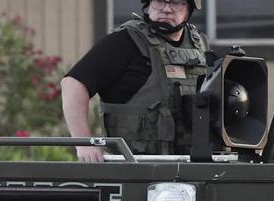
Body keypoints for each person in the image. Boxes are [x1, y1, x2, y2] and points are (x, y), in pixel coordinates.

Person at [61, 0, 209, 162]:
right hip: (132, 169)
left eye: (175, 2)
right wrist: (85, 143)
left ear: (189, 9)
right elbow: (72, 84)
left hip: (190, 166)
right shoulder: (125, 41)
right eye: (159, 1)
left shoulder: (200, 47)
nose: (166, 9)